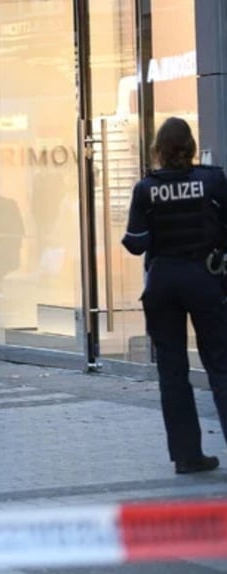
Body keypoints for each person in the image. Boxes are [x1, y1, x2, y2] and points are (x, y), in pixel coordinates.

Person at [122, 116, 227, 475]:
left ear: (158, 151)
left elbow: (135, 244)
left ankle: (187, 456)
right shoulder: (212, 180)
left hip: (163, 283)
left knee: (172, 369)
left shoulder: (146, 189)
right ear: (192, 147)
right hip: (204, 278)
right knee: (221, 364)